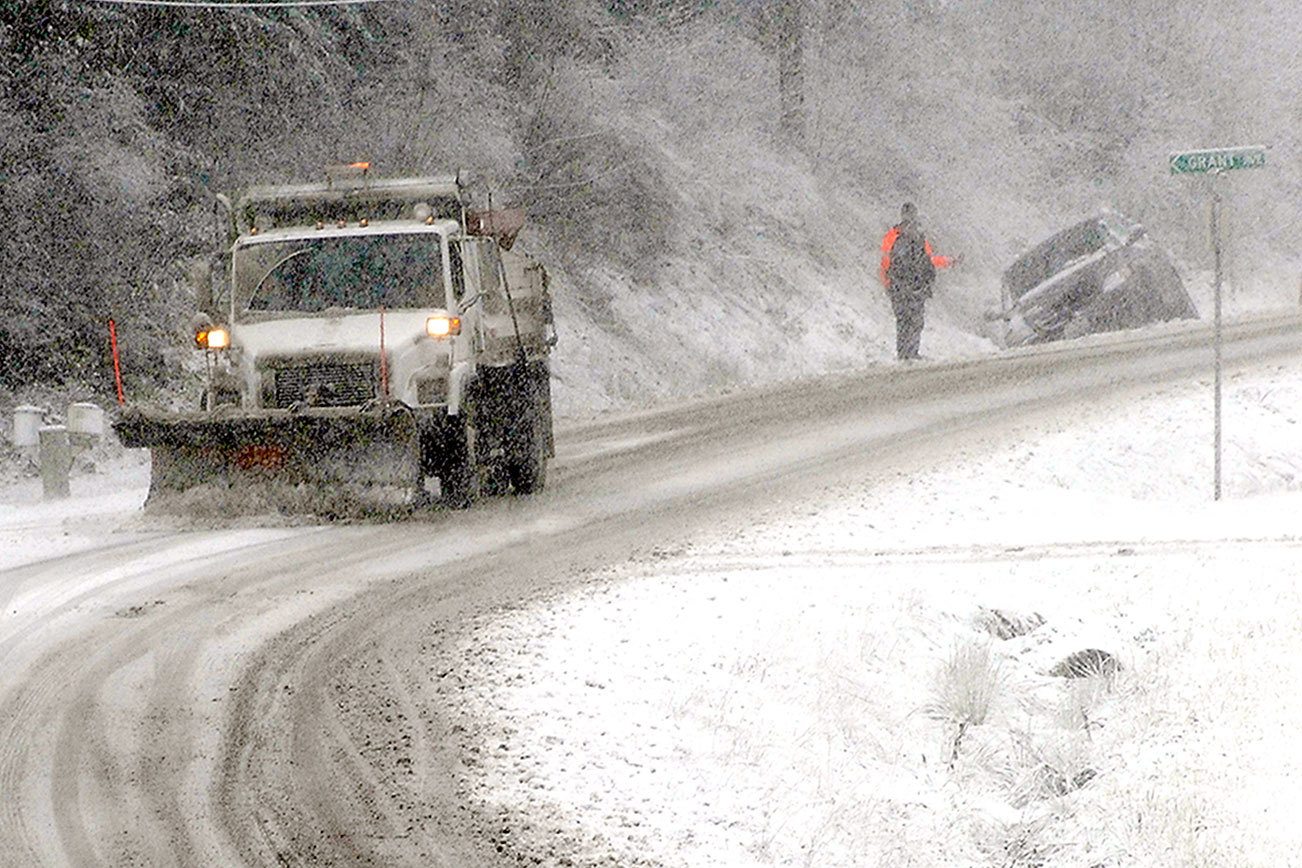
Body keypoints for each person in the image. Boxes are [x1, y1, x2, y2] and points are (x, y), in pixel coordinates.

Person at [879, 202, 952, 360]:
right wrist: (947, 262)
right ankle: (910, 354)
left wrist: (887, 283)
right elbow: (929, 260)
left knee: (904, 321)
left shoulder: (893, 236)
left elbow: (885, 262)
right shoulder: (917, 237)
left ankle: (905, 354)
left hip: (900, 286)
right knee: (913, 320)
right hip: (914, 286)